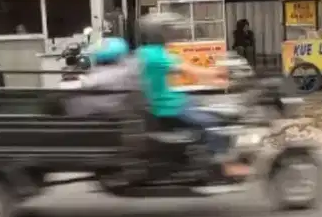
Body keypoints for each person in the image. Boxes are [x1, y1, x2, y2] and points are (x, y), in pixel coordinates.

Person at [136, 12, 249, 179]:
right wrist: (221, 74)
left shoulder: (144, 52)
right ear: (159, 33)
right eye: (168, 30)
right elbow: (191, 71)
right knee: (212, 122)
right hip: (167, 106)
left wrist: (218, 79)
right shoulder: (158, 55)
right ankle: (225, 164)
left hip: (166, 101)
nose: (172, 34)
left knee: (208, 107)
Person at [65, 37, 140, 118]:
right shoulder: (129, 69)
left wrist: (78, 77)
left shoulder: (102, 74)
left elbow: (80, 84)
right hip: (117, 112)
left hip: (100, 116)